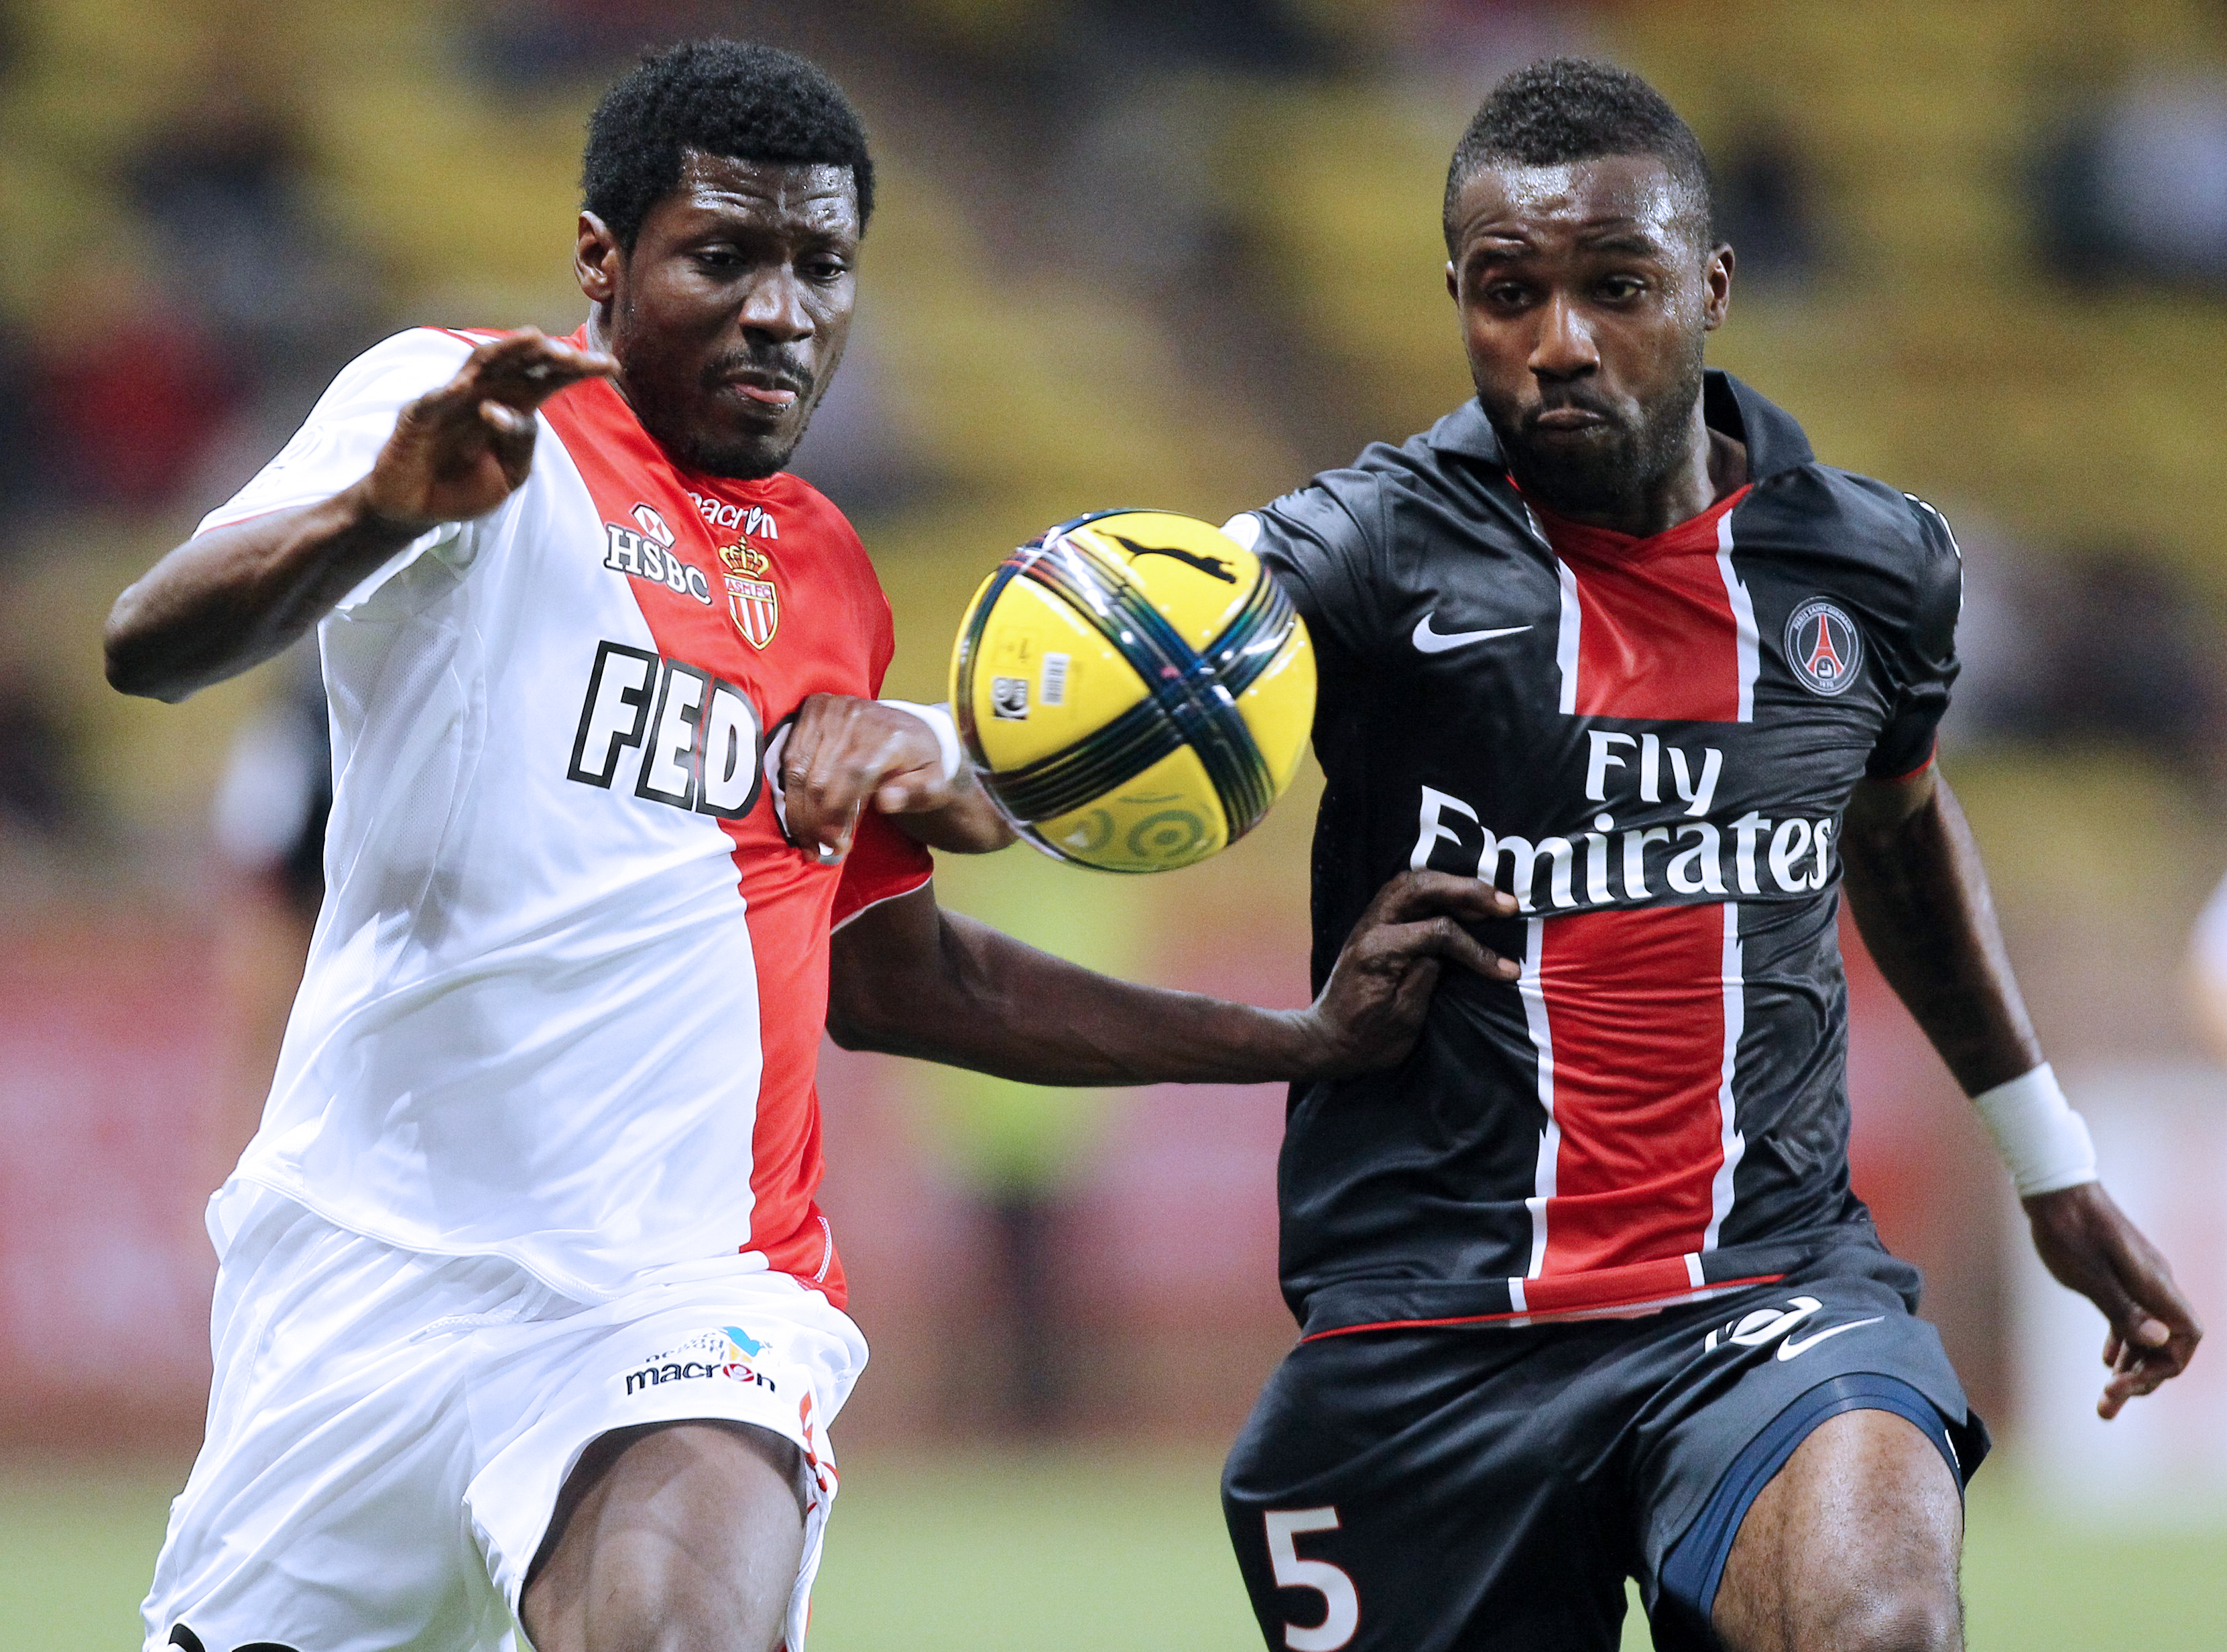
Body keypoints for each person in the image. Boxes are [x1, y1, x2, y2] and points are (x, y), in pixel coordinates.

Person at [104, 41, 1509, 1652]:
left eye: (820, 265)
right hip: (359, 1286)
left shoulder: (829, 576)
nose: (783, 309)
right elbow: (151, 642)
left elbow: (903, 979)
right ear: (600, 264)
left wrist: (1294, 1040)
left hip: (681, 1293)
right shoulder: (465, 412)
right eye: (724, 257)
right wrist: (375, 517)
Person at [1173, 58, 2192, 1652]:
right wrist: (934, 738)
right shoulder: (1372, 546)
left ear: (1710, 287)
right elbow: (1154, 626)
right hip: (1432, 1330)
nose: (1558, 341)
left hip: (1766, 1292)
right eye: (1506, 295)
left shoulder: (1867, 566)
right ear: (1455, 295)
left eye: (1616, 287)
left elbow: (1901, 837)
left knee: (1878, 1624)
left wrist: (2048, 1163)